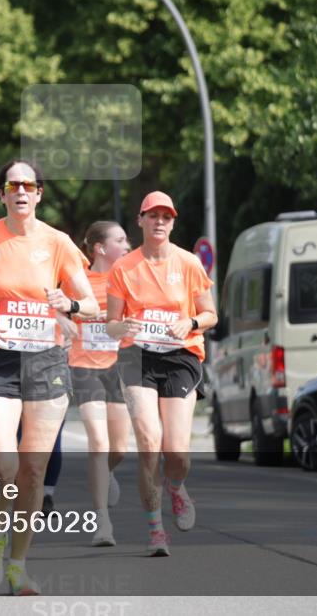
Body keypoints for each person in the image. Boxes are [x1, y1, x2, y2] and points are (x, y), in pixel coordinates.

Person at [0, 159, 98, 596]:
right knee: (3, 463)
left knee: (32, 471)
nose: (21, 191)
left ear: (39, 193)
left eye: (29, 185)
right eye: (13, 185)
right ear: (2, 194)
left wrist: (66, 303)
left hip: (47, 361)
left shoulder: (58, 243)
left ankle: (18, 563)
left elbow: (90, 305)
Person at [106, 191, 217, 557]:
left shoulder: (188, 264)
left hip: (180, 356)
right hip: (137, 356)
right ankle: (155, 530)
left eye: (165, 216)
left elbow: (211, 315)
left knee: (177, 453)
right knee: (149, 443)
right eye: (152, 215)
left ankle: (177, 487)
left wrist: (190, 321)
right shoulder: (124, 267)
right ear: (140, 221)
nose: (159, 222)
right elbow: (111, 325)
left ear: (173, 222)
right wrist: (122, 328)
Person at [56, 220, 133, 546]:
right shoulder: (79, 280)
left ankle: (109, 472)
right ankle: (102, 522)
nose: (128, 245)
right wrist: (63, 320)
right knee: (98, 443)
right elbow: (49, 306)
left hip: (118, 367)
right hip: (84, 366)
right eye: (121, 239)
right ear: (100, 248)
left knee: (118, 448)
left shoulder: (129, 280)